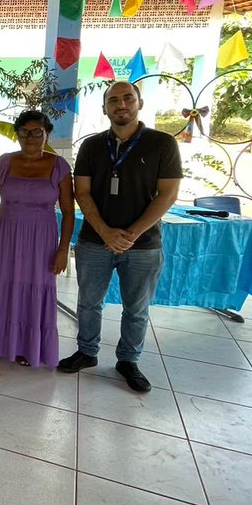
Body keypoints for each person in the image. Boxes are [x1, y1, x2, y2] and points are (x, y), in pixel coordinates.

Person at [58, 81, 182, 392]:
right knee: (88, 303)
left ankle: (128, 360)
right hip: (94, 241)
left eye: (128, 98)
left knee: (136, 307)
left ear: (140, 103)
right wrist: (105, 232)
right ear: (104, 108)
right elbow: (81, 192)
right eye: (113, 100)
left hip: (143, 245)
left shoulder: (162, 144)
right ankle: (86, 352)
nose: (121, 104)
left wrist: (131, 234)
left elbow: (167, 195)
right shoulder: (91, 146)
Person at [0, 110, 74, 367]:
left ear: (47, 134)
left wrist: (63, 249)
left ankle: (27, 347)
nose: (30, 138)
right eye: (24, 132)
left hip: (42, 240)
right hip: (5, 236)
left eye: (37, 132)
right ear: (17, 134)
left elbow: (69, 212)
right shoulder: (3, 163)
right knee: (1, 286)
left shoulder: (59, 166)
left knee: (35, 288)